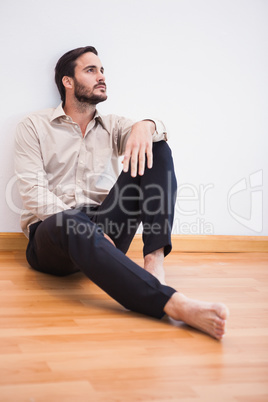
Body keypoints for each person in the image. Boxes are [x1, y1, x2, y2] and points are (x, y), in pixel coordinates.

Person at [15, 46, 229, 340]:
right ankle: (174, 304)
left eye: (102, 70)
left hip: (104, 225)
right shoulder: (34, 125)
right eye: (91, 70)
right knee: (70, 221)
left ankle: (154, 260)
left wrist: (147, 124)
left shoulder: (113, 125)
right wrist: (81, 224)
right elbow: (32, 192)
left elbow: (156, 136)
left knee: (156, 146)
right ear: (68, 81)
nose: (101, 77)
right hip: (53, 234)